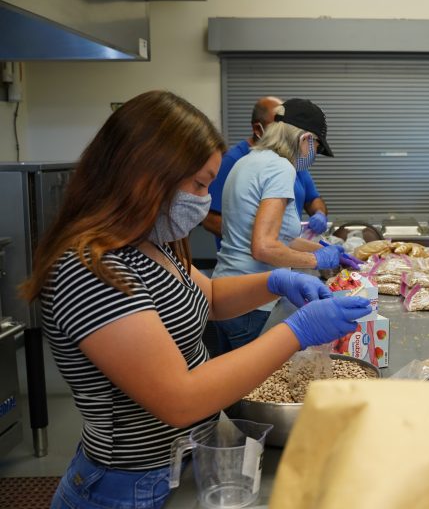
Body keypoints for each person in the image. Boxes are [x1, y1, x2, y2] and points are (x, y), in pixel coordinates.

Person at [20, 91, 372, 509]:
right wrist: (299, 331)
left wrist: (275, 283)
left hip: (182, 462)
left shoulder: (151, 241)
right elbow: (180, 399)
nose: (204, 200)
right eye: (199, 184)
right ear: (145, 174)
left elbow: (211, 298)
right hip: (126, 487)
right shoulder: (89, 269)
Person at [211, 115, 359, 354]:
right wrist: (316, 261)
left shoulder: (248, 160)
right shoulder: (281, 167)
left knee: (227, 385)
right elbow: (264, 247)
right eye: (316, 148)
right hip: (253, 303)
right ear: (305, 139)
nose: (313, 156)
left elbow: (276, 236)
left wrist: (324, 251)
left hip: (226, 292)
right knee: (256, 388)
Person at [203, 96, 331, 249]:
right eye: (275, 125)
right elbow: (265, 243)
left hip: (268, 258)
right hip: (257, 262)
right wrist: (248, 241)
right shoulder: (237, 160)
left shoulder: (283, 162)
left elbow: (282, 236)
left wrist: (319, 217)